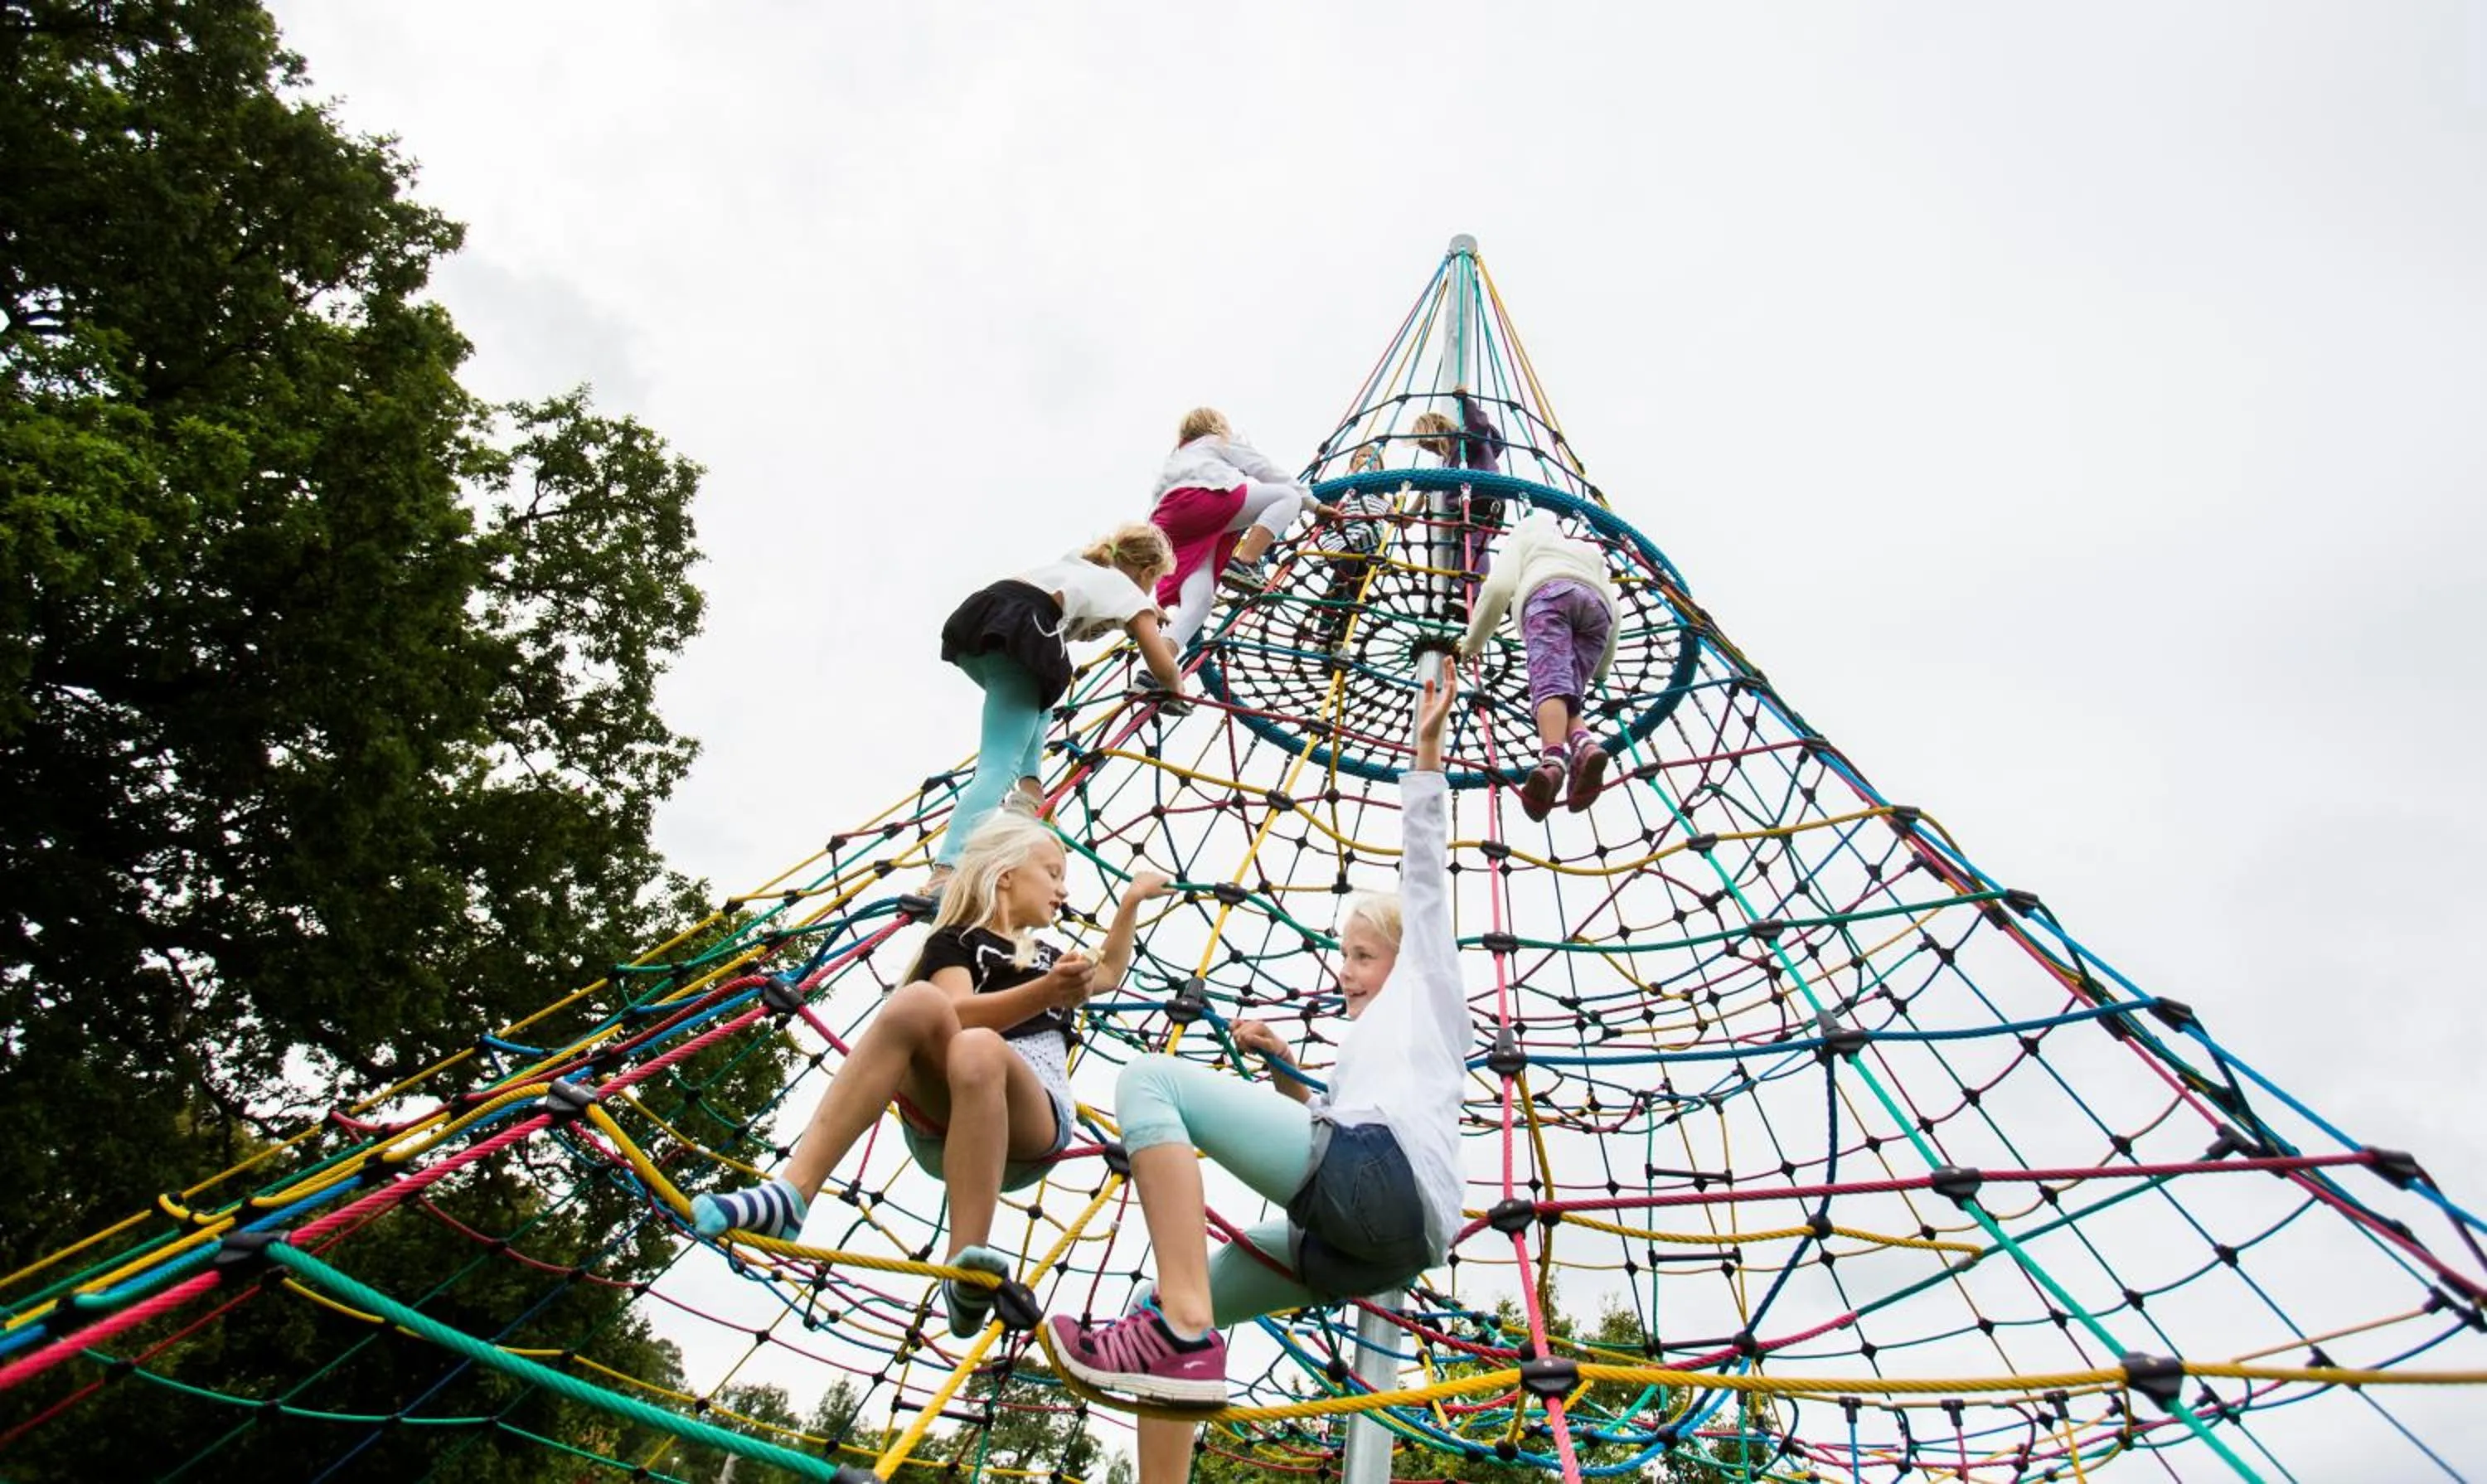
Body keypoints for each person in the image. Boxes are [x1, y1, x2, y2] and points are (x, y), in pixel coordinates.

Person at [1045, 672, 1468, 1484]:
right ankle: (1175, 1345)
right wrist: (1282, 1068)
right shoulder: (1370, 1049)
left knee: (1148, 1082)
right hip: (1380, 1240)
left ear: (1404, 955)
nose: (1346, 971)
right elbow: (1326, 1132)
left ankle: (1185, 1332)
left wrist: (1425, 747)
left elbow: (1425, 866)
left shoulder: (1429, 982)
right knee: (1160, 1294)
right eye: (1345, 955)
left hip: (1387, 1184)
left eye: (1363, 955)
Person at [693, 817, 1173, 1338]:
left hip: (1032, 1121)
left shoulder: (1049, 959)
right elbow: (958, 1014)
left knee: (980, 1048)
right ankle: (792, 1195)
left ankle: (963, 1265)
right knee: (922, 1004)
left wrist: (1131, 902)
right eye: (1053, 872)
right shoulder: (956, 942)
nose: (1064, 888)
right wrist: (1046, 993)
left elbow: (1109, 973)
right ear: (1006, 874)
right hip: (946, 1113)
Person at [926, 524, 1185, 894]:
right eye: (1154, 580)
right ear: (1146, 573)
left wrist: (1145, 606)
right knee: (999, 766)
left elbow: (1100, 592)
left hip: (980, 621)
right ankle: (947, 870)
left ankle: (1031, 792)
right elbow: (1162, 666)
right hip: (1023, 631)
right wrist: (1176, 684)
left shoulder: (1085, 565)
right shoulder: (1131, 594)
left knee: (1040, 697)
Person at [1458, 508, 1620, 820]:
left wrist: (1473, 643)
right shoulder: (1584, 548)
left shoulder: (1524, 541)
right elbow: (1616, 609)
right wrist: (1601, 669)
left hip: (1549, 597)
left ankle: (1553, 761)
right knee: (1567, 693)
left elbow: (1499, 587)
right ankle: (1585, 747)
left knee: (1549, 687)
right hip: (1598, 610)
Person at [1146, 407, 1336, 661]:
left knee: (1199, 601)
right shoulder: (1217, 441)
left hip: (1168, 526)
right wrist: (1314, 504)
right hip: (1204, 500)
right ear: (1216, 426)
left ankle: (1156, 669)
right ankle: (1245, 562)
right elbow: (1264, 469)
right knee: (1286, 496)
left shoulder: (1177, 459)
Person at [1412, 387, 1509, 580]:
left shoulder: (1464, 439)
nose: (1433, 452)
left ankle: (1475, 593)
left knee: (1472, 546)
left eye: (1431, 446)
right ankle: (1464, 594)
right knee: (1462, 552)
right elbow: (1431, 484)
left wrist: (1465, 402)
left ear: (1437, 430)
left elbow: (1479, 426)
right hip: (1468, 505)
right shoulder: (1449, 460)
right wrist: (1413, 511)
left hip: (1482, 498)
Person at [1305, 444, 1396, 648]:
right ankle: (1324, 629)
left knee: (1357, 590)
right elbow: (1318, 499)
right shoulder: (1345, 489)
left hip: (1370, 547)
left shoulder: (1381, 501)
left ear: (1380, 469)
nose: (1366, 459)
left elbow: (1402, 520)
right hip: (1343, 538)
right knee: (1344, 573)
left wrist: (1420, 497)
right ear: (1352, 465)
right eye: (1360, 456)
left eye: (1372, 458)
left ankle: (1341, 637)